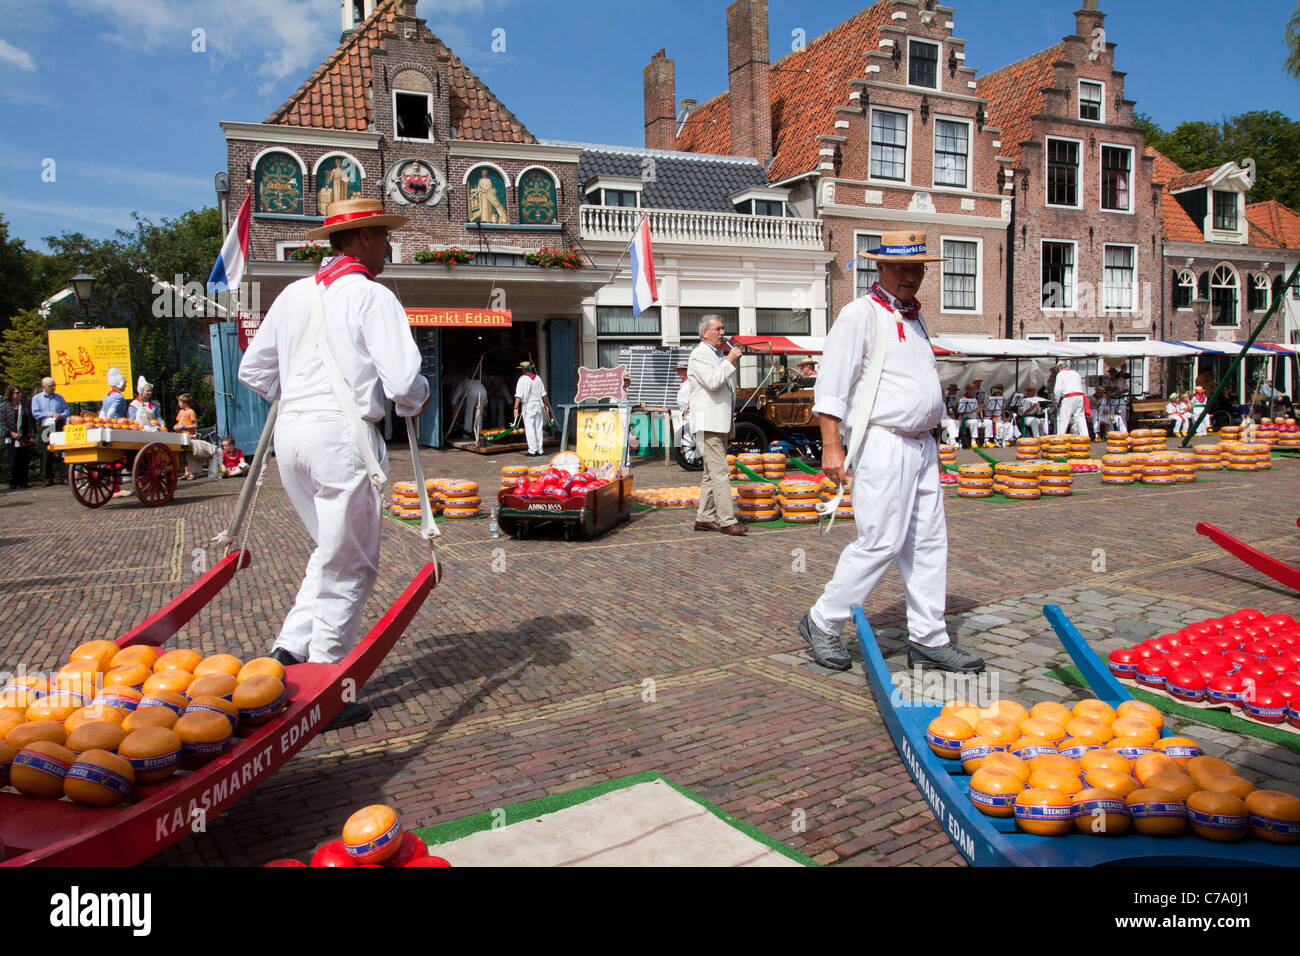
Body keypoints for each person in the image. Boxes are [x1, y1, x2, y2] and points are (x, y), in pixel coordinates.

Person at [238, 196, 430, 731]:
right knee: (351, 563)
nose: (391, 245)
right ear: (364, 238)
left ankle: (287, 653)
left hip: (291, 435)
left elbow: (253, 370)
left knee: (330, 552)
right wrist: (420, 398)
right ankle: (327, 683)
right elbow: (402, 384)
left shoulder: (293, 294)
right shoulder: (372, 296)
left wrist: (300, 395)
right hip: (341, 436)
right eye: (386, 236)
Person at [799, 230, 983, 674]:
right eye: (901, 267)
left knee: (927, 542)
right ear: (878, 267)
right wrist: (831, 448)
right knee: (880, 540)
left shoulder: (915, 318)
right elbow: (831, 388)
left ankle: (929, 637)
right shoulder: (858, 314)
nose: (911, 276)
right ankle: (823, 620)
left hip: (922, 445)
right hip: (882, 441)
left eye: (918, 268)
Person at [688, 314, 746, 536]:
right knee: (720, 472)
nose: (723, 332)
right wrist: (729, 360)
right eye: (718, 329)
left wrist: (727, 360)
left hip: (718, 422)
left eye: (723, 328)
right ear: (705, 333)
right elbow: (713, 382)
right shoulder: (699, 355)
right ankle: (727, 521)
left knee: (711, 474)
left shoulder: (715, 354)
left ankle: (704, 518)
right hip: (708, 423)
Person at [31, 376, 69, 486]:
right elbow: (36, 413)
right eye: (50, 386)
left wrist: (61, 415)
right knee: (46, 451)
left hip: (58, 424)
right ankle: (48, 478)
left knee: (63, 450)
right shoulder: (37, 398)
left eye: (54, 385)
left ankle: (64, 476)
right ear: (43, 387)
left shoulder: (59, 397)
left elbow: (67, 409)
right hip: (45, 425)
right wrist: (50, 414)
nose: (53, 388)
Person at [513, 361, 553, 457]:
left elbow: (518, 395)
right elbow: (544, 394)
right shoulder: (538, 378)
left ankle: (532, 450)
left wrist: (515, 408)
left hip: (528, 405)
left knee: (530, 428)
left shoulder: (522, 379)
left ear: (523, 369)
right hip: (539, 405)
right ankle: (540, 449)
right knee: (538, 428)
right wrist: (546, 406)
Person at [3, 385, 35, 489]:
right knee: (13, 461)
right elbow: (2, 422)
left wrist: (31, 434)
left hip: (23, 436)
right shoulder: (4, 406)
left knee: (24, 460)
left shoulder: (25, 405)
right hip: (10, 437)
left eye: (20, 392)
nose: (19, 394)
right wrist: (11, 433)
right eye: (17, 393)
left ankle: (23, 482)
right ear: (11, 395)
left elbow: (30, 420)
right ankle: (13, 482)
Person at [1052, 363, 1088, 436]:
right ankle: (1085, 436)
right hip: (1080, 396)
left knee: (1064, 418)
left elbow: (1058, 390)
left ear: (1059, 369)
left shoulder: (1060, 374)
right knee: (1080, 417)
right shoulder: (1076, 373)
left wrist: (1056, 401)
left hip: (1069, 396)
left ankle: (1061, 437)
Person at [674, 360, 696, 462]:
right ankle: (690, 458)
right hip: (683, 411)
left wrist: (687, 410)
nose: (679, 373)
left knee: (686, 436)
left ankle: (691, 459)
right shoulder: (684, 383)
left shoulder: (690, 382)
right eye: (678, 370)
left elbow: (692, 396)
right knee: (685, 436)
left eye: (682, 370)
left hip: (689, 411)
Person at [956, 383, 989, 448]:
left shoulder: (975, 399)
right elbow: (960, 412)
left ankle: (986, 441)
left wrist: (980, 408)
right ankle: (973, 442)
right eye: (972, 390)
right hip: (966, 420)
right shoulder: (963, 399)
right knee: (974, 422)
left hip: (975, 419)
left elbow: (977, 410)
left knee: (989, 422)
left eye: (975, 390)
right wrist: (973, 411)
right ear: (968, 390)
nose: (974, 391)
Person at [174, 393, 198, 479]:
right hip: (180, 436)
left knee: (188, 454)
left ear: (185, 403)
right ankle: (185, 472)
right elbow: (179, 422)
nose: (178, 404)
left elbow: (195, 425)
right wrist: (176, 426)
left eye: (179, 402)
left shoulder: (191, 412)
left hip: (188, 436)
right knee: (182, 454)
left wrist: (183, 427)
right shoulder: (180, 412)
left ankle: (191, 472)